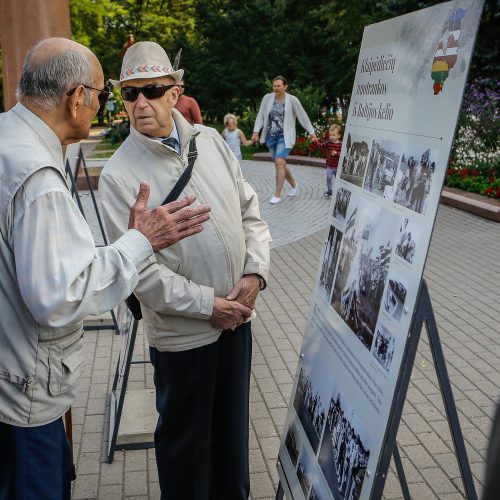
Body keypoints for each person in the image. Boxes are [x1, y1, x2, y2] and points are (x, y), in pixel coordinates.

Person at [0, 38, 211, 500]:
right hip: (24, 398)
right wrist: (141, 241)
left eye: (150, 91)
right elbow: (59, 298)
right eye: (107, 94)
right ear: (77, 98)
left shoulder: (6, 140)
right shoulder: (40, 179)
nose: (113, 106)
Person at [99, 41, 271, 499]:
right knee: (186, 452)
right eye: (129, 94)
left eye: (152, 90)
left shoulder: (211, 140)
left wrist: (254, 275)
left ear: (176, 92)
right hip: (184, 338)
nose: (140, 104)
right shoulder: (119, 175)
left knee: (232, 444)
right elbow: (141, 274)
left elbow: (250, 212)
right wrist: (208, 306)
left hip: (237, 321)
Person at [252, 75, 317, 204]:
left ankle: (277, 194)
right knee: (280, 164)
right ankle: (294, 184)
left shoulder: (292, 100)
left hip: (285, 137)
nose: (276, 88)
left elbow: (303, 116)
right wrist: (255, 131)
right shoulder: (267, 98)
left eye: (279, 86)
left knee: (279, 162)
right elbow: (260, 115)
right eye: (274, 86)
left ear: (285, 86)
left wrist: (311, 132)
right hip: (271, 137)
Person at [318, 124, 343, 198]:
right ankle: (330, 191)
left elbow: (343, 154)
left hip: (337, 167)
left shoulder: (341, 145)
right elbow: (321, 146)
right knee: (328, 178)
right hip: (329, 166)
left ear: (339, 136)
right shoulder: (328, 143)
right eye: (330, 135)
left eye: (334, 135)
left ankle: (340, 191)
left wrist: (337, 153)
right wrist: (315, 141)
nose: (331, 137)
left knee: (338, 180)